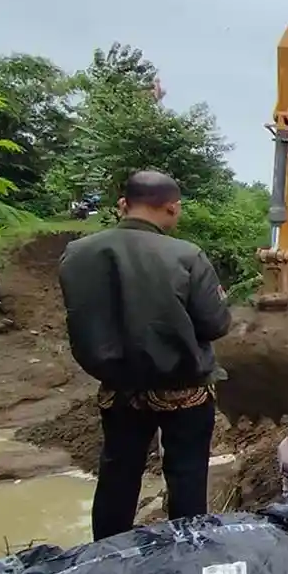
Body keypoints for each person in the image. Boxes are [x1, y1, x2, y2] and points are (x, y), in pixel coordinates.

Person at [58, 170, 231, 541]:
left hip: (118, 387)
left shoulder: (78, 253)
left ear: (124, 204)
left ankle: (107, 552)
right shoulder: (186, 255)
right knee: (186, 474)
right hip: (184, 388)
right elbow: (216, 324)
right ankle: (188, 550)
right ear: (173, 207)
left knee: (118, 473)